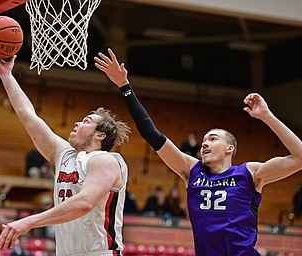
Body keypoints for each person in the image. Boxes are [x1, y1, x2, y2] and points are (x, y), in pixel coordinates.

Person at [94, 48, 302, 255]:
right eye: (203, 140)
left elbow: (299, 157)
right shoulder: (192, 170)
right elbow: (151, 134)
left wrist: (266, 116)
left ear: (230, 148)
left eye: (213, 139)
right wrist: (124, 86)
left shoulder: (249, 173)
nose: (204, 144)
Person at [0, 49, 131, 256]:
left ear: (100, 136)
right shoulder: (64, 155)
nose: (78, 122)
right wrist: (6, 75)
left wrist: (29, 222)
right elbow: (28, 115)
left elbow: (85, 202)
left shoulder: (106, 160)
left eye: (87, 121)